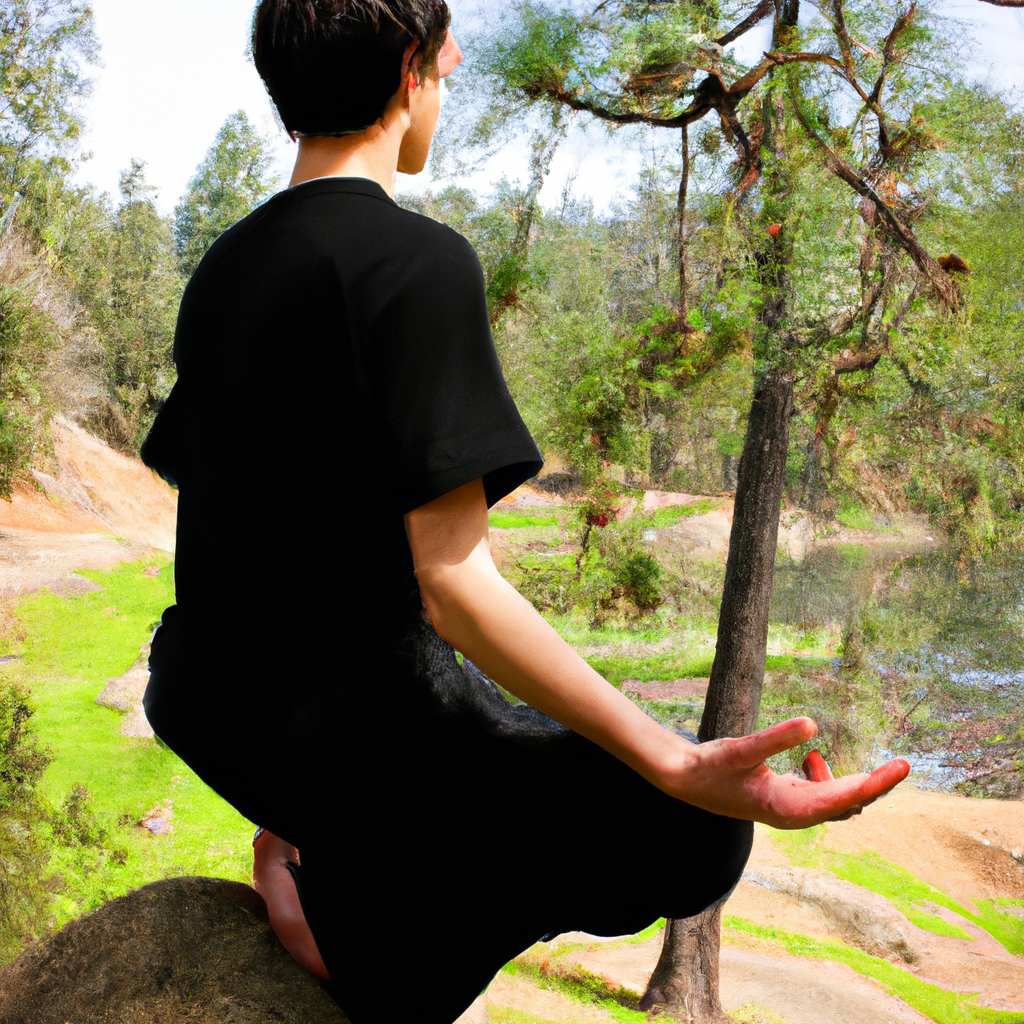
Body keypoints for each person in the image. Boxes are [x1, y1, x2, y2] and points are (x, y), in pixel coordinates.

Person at [140, 3, 910, 1022]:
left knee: (484, 761)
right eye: (447, 63)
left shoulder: (222, 268)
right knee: (694, 832)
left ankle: (322, 845)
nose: (450, 78)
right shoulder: (415, 262)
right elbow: (454, 584)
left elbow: (222, 504)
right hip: (362, 729)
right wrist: (676, 760)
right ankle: (345, 923)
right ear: (409, 69)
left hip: (211, 704)